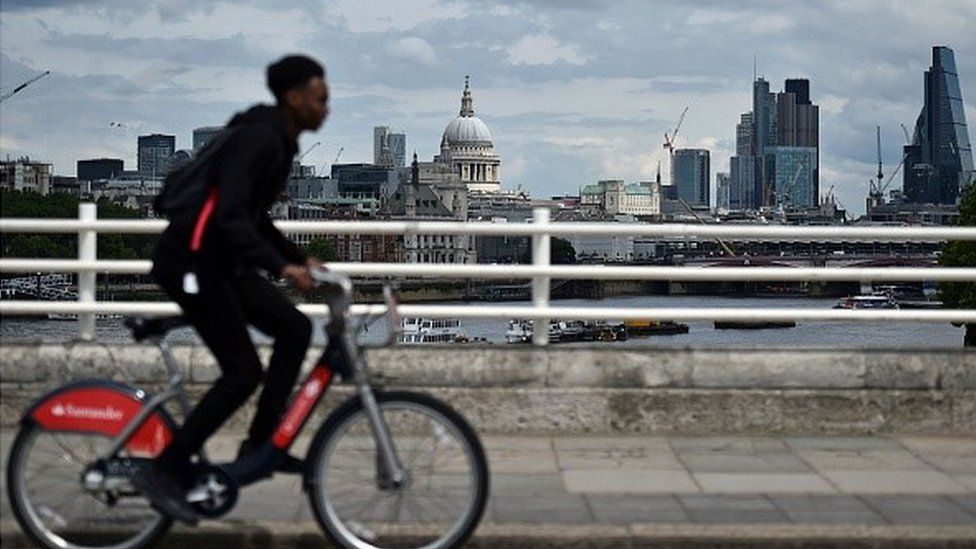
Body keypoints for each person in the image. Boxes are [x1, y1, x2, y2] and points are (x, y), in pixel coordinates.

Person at [133, 55, 330, 524]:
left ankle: (261, 446)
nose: (327, 108)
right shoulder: (261, 138)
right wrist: (284, 267)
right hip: (193, 262)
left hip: (221, 261)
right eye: (321, 98)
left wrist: (299, 259)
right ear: (294, 97)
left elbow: (253, 217)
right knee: (241, 372)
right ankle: (166, 467)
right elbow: (230, 219)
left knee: (295, 330)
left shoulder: (276, 140)